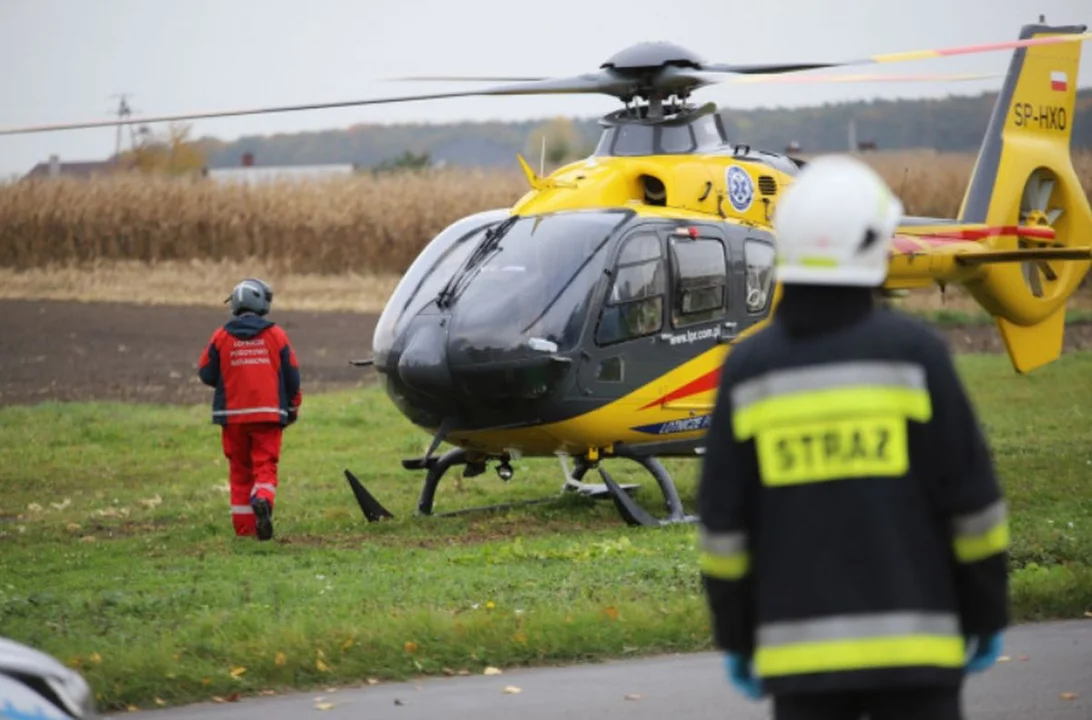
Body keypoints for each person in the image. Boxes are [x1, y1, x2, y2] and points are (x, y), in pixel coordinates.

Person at [696, 154, 1009, 720]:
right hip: (920, 656)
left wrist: (737, 636)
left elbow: (725, 530)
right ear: (873, 243)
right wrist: (986, 611)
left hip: (800, 666)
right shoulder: (917, 357)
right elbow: (973, 508)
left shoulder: (749, 372)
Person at [198, 278, 302, 541]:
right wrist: (293, 405)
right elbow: (292, 374)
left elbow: (206, 372)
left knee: (240, 472)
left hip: (232, 419)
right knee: (265, 465)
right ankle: (264, 498)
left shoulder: (221, 336)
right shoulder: (275, 335)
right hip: (267, 415)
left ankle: (245, 532)